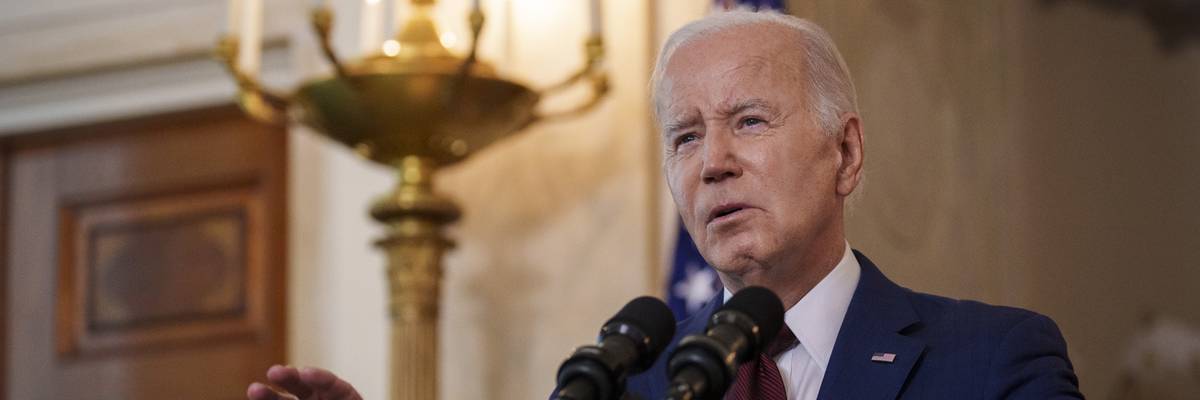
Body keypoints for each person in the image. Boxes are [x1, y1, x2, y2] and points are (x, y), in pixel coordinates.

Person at [248, 10, 1083, 400]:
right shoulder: (627, 382)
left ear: (847, 153)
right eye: (685, 137)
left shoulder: (994, 361)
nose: (713, 163)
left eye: (748, 121)